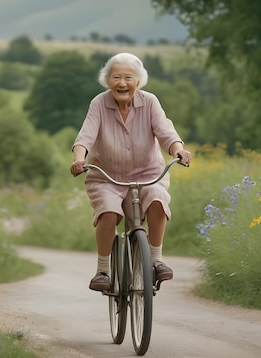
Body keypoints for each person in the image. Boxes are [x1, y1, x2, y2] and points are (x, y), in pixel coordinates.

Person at [70, 52, 192, 291]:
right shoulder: (98, 104)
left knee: (157, 200)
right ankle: (103, 270)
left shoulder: (150, 102)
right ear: (108, 81)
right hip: (106, 177)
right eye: (116, 77)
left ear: (138, 82)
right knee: (108, 211)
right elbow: (85, 136)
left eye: (128, 78)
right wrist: (78, 159)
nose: (122, 83)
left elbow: (166, 133)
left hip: (147, 175)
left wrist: (179, 150)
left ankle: (156, 260)